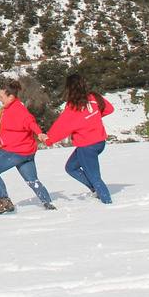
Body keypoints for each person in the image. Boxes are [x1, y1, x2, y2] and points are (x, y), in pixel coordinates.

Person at [0, 79, 55, 214]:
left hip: (14, 151)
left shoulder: (17, 110)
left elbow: (30, 122)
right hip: (26, 152)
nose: (0, 100)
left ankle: (5, 201)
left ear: (11, 96)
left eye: (2, 97)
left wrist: (40, 133)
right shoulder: (10, 108)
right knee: (32, 180)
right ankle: (48, 204)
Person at [44, 74, 115, 204]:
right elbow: (109, 109)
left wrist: (49, 140)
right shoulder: (94, 98)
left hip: (87, 146)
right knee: (71, 167)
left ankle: (107, 202)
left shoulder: (73, 107)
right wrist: (93, 119)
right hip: (100, 142)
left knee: (95, 177)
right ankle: (96, 190)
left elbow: (62, 127)